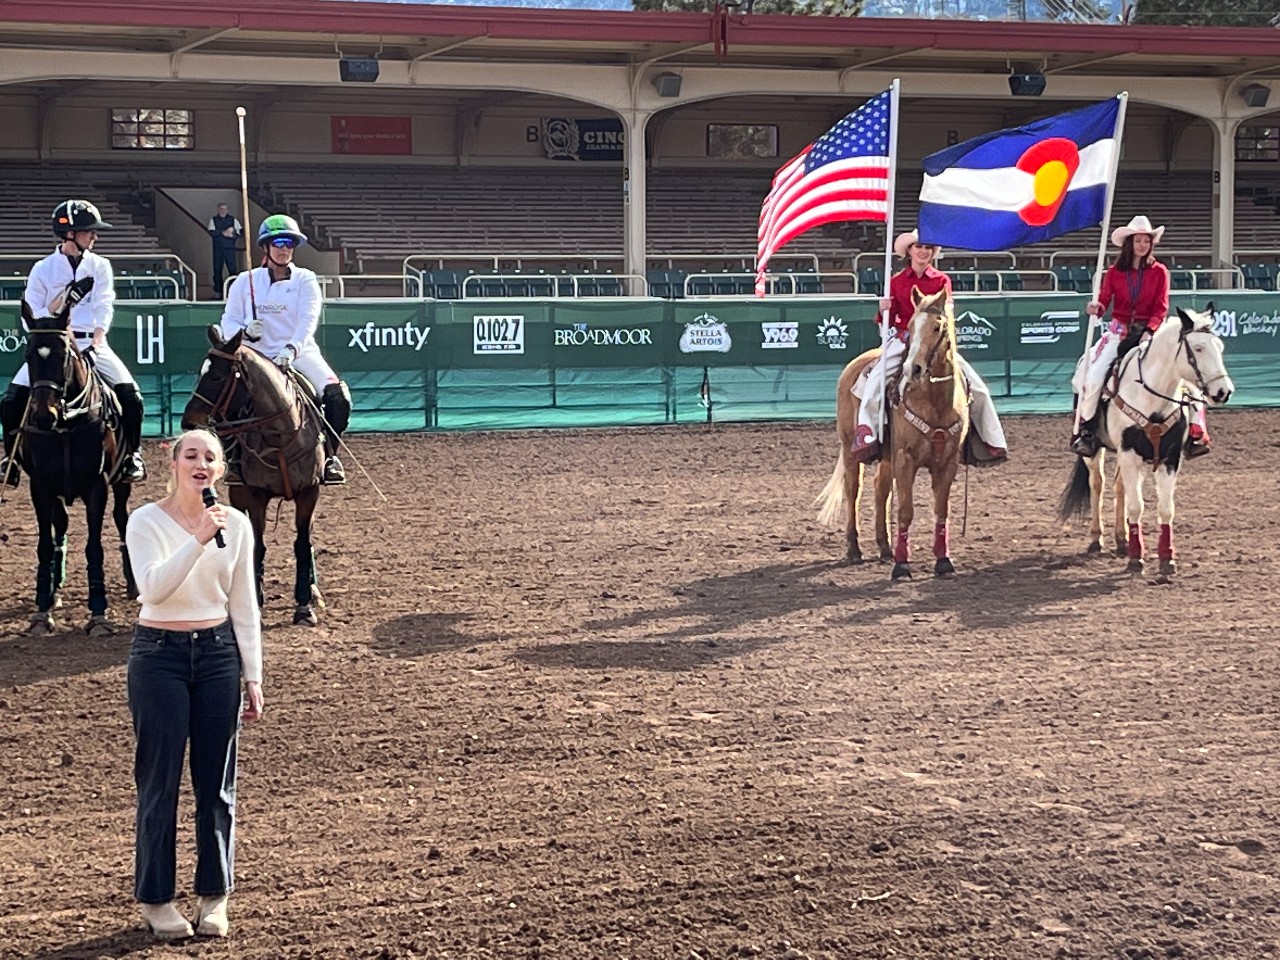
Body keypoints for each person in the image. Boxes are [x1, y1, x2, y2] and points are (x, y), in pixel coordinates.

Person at [125, 429, 263, 941]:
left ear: (221, 470)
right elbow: (152, 589)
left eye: (211, 457)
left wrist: (253, 673)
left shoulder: (240, 526)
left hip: (218, 657)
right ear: (174, 463)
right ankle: (156, 899)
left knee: (217, 786)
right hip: (158, 657)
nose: (200, 464)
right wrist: (198, 537)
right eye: (191, 455)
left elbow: (244, 602)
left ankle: (214, 895)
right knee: (159, 784)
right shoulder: (144, 521)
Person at [0, 199, 147, 486]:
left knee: (132, 396)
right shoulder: (42, 269)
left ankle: (132, 455)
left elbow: (105, 303)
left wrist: (99, 335)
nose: (95, 236)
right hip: (53, 346)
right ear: (70, 234)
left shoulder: (100, 265)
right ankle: (12, 459)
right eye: (89, 231)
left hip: (92, 342)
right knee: (11, 399)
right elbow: (31, 312)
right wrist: (63, 305)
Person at [849, 230, 1009, 465]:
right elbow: (888, 321)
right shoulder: (896, 282)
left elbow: (947, 314)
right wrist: (884, 309)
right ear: (909, 251)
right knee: (874, 382)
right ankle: (868, 434)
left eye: (928, 247)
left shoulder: (942, 281)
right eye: (918, 247)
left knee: (978, 388)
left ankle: (991, 441)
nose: (923, 251)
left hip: (934, 342)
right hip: (904, 338)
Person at [219, 214, 350, 484]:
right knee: (222, 395)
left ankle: (329, 457)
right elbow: (227, 322)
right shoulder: (244, 281)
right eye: (278, 242)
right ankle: (233, 459)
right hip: (253, 356)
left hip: (298, 353)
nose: (284, 248)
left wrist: (291, 350)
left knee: (339, 398)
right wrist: (243, 331)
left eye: (289, 243)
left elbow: (308, 320)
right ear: (265, 247)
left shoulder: (305, 279)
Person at [1070, 215, 1211, 458]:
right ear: (1129, 243)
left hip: (1152, 335)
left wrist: (1149, 331)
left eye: (1147, 240)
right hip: (1119, 333)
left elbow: (1161, 307)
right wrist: (1096, 308)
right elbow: (1104, 301)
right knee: (1092, 378)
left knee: (1188, 378)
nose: (1143, 245)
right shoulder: (1114, 272)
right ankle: (1087, 431)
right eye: (1138, 240)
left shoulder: (1160, 272)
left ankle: (1197, 433)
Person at [207, 202, 242, 299]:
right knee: (217, 270)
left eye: (225, 209)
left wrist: (233, 234)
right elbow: (211, 232)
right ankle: (218, 291)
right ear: (218, 210)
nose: (223, 211)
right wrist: (223, 233)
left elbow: (240, 232)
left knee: (232, 269)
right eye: (221, 209)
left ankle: (234, 291)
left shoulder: (233, 220)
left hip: (230, 248)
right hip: (218, 249)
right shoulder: (213, 220)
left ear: (227, 210)